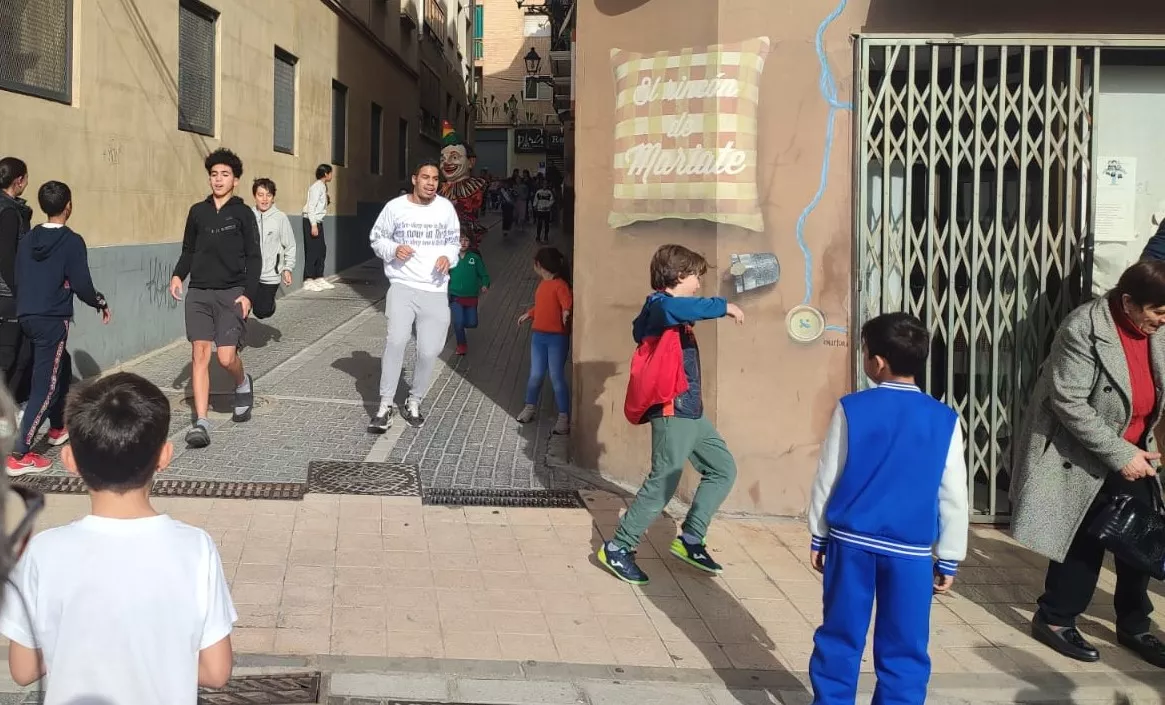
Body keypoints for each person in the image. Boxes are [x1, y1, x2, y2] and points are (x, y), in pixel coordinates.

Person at [0, 372, 236, 703]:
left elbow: (23, 670)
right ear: (165, 456)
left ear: (69, 460)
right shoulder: (196, 549)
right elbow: (216, 670)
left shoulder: (43, 551)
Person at [806, 312, 969, 705]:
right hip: (911, 553)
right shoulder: (945, 419)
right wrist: (948, 557)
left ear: (877, 361)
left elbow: (829, 475)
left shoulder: (852, 408)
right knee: (906, 648)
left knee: (840, 637)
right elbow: (954, 495)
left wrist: (818, 533)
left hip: (851, 543)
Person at [1011, 259, 1165, 668]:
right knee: (1084, 537)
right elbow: (1069, 402)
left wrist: (1137, 449)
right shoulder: (1083, 328)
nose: (1162, 321)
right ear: (1129, 302)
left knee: (1141, 538)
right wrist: (1120, 453)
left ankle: (1134, 625)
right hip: (1080, 450)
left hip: (1135, 447)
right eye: (1157, 312)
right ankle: (1055, 618)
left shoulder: (1157, 330)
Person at [597, 244, 744, 584]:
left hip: (691, 411)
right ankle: (619, 547)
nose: (698, 283)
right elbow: (677, 308)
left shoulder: (671, 313)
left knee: (723, 470)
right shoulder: (660, 307)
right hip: (672, 408)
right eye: (696, 277)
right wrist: (724, 306)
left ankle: (691, 538)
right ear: (679, 276)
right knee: (663, 482)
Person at [7, 181, 111, 476]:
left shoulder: (28, 239)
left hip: (26, 313)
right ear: (69, 206)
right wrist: (100, 302)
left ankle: (56, 428)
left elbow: (18, 274)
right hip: (51, 318)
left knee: (61, 365)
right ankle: (19, 453)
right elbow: (82, 284)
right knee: (47, 384)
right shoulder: (71, 241)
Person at [169, 148, 261, 449]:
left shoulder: (243, 214)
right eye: (214, 174)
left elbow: (253, 257)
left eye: (224, 175)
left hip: (231, 293)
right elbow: (189, 250)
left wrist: (249, 294)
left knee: (225, 358)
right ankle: (202, 423)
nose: (218, 179)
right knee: (199, 354)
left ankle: (242, 383)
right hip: (199, 293)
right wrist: (178, 275)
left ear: (235, 180)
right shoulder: (198, 212)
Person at [367, 160, 460, 432]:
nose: (431, 183)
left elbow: (454, 242)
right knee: (396, 342)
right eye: (425, 177)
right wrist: (393, 249)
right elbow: (377, 238)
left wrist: (448, 257)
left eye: (435, 179)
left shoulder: (446, 208)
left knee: (430, 351)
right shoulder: (395, 208)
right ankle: (385, 405)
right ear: (414, 179)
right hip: (402, 285)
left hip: (435, 289)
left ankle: (414, 400)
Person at [516, 247, 572, 433]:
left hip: (557, 338)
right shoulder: (543, 284)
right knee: (536, 374)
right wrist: (530, 314)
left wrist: (565, 312)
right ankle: (529, 406)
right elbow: (542, 306)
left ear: (539, 265)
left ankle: (564, 417)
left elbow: (566, 302)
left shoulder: (560, 285)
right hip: (539, 336)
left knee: (556, 376)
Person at [0, 158, 32, 410]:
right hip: (8, 296)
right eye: (26, 178)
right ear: (18, 180)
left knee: (20, 355)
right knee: (12, 356)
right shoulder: (8, 212)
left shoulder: (13, 209)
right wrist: (21, 294)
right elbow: (8, 259)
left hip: (10, 295)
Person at [250, 178, 297, 319]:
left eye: (268, 195)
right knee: (241, 310)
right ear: (254, 196)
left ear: (273, 197)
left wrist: (287, 268)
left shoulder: (280, 218)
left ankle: (269, 306)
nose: (264, 199)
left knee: (261, 311)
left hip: (271, 274)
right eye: (260, 195)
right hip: (249, 273)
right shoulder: (248, 216)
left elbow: (290, 245)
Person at [448, 231, 490, 356]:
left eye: (466, 240)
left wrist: (485, 284)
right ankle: (461, 345)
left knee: (472, 323)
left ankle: (461, 326)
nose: (463, 243)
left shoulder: (474, 258)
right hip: (456, 296)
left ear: (470, 243)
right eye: (460, 240)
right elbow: (443, 273)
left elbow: (484, 274)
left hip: (471, 296)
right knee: (458, 322)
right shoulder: (451, 258)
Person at [301, 163, 334, 291]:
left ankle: (318, 277)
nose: (331, 175)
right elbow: (311, 206)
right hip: (311, 221)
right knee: (312, 251)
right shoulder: (316, 187)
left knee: (321, 250)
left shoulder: (323, 187)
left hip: (318, 221)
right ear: (326, 174)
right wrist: (313, 225)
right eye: (330, 173)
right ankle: (308, 279)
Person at [531, 179, 555, 243]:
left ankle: (546, 236)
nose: (545, 185)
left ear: (547, 184)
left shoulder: (549, 192)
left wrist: (547, 206)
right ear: (542, 184)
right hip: (540, 210)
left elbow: (552, 201)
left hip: (547, 211)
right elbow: (535, 200)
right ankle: (538, 236)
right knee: (539, 224)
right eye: (543, 183)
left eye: (546, 183)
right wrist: (535, 206)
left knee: (546, 224)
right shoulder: (538, 192)